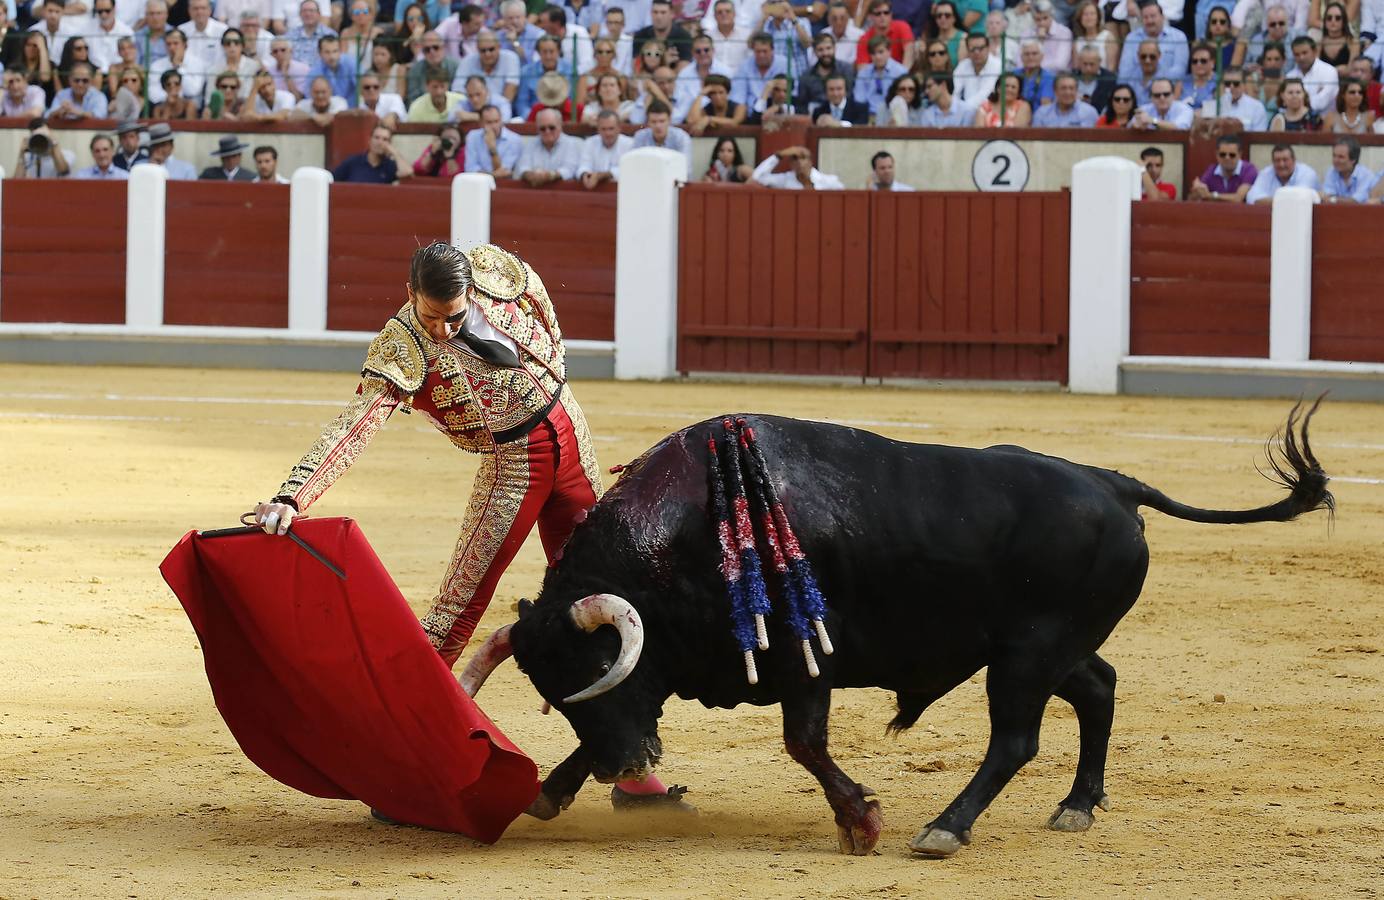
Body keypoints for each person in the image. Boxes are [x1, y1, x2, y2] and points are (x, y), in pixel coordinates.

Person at [252, 240, 692, 818]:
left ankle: (632, 771)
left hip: (569, 431)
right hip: (514, 467)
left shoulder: (494, 270)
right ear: (411, 295)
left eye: (454, 317)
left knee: (606, 602)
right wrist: (294, 494)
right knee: (454, 614)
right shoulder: (403, 346)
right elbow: (357, 423)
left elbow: (539, 299)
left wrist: (556, 368)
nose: (441, 330)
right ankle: (408, 769)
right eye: (431, 316)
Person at [1116, 0, 1189, 82]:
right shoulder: (1131, 38)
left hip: (1167, 90)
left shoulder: (1178, 37)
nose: (1150, 21)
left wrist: (1153, 83)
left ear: (1162, 17)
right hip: (1137, 90)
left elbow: (1179, 71)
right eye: (1145, 17)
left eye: (1153, 16)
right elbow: (1124, 72)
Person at [514, 106, 582, 186]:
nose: (547, 131)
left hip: (565, 194)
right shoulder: (531, 144)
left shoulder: (573, 143)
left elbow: (569, 170)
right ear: (537, 129)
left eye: (552, 127)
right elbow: (522, 167)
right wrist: (530, 175)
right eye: (542, 128)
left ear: (560, 126)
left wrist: (549, 175)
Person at [631, 99, 692, 178]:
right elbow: (634, 165)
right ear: (648, 122)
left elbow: (685, 168)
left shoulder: (681, 138)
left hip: (675, 184)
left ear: (669, 120)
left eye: (662, 121)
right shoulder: (640, 137)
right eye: (653, 122)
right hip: (646, 182)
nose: (658, 126)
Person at [454, 29, 519, 104]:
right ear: (477, 50)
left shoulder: (510, 58)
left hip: (500, 110)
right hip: (472, 108)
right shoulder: (467, 61)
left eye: (491, 49)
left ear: (499, 47)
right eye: (483, 50)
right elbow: (458, 91)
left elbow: (509, 94)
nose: (487, 54)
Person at [333, 123, 413, 182]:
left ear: (389, 144)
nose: (380, 142)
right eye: (376, 138)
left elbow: (407, 172)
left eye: (385, 139)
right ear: (369, 140)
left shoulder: (390, 166)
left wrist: (394, 152)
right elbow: (332, 180)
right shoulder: (353, 162)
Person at [577, 107, 633, 188]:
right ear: (598, 129)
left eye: (611, 128)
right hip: (594, 193)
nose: (608, 133)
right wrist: (585, 174)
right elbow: (583, 166)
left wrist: (603, 175)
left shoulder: (629, 144)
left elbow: (629, 170)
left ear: (619, 128)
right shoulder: (590, 143)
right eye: (603, 129)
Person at [1189, 135, 1258, 201]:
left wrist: (1210, 195)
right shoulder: (1212, 170)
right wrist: (1197, 190)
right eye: (1222, 154)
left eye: (1232, 155)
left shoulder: (1249, 170)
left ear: (1240, 154)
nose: (1227, 158)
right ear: (1216, 154)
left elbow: (1238, 198)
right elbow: (1195, 197)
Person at [1246, 142, 1320, 202]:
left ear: (1294, 160)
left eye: (1285, 160)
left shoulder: (1307, 173)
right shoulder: (1266, 173)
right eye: (1277, 160)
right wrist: (1281, 201)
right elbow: (1251, 197)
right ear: (1272, 162)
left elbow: (1299, 198)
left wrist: (1269, 201)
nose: (1281, 165)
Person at [855, 33, 907, 119]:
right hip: (867, 116)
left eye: (881, 52)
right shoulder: (863, 73)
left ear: (889, 51)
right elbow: (859, 99)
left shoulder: (901, 72)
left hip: (893, 115)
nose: (877, 57)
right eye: (873, 53)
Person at [731, 31, 787, 108]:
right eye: (758, 51)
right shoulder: (745, 66)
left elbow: (791, 94)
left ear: (772, 50)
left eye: (765, 51)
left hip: (777, 110)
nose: (761, 55)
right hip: (750, 113)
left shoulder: (784, 64)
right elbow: (738, 97)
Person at [464, 103, 522, 176]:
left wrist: (492, 148)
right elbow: (470, 169)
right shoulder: (472, 136)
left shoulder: (515, 140)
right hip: (477, 184)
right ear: (481, 123)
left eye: (496, 121)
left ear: (501, 120)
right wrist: (493, 175)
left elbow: (504, 172)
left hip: (503, 185)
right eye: (489, 122)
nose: (494, 126)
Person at [751, 145, 845, 189]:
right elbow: (757, 177)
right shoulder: (785, 180)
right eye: (795, 159)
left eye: (803, 158)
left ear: (810, 162)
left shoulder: (828, 181)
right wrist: (780, 155)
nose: (799, 162)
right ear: (791, 164)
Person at [1287, 35, 1339, 112]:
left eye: (1304, 53)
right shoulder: (1290, 76)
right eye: (1297, 54)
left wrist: (1295, 103)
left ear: (1315, 51)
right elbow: (1285, 103)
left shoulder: (1329, 71)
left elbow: (1321, 103)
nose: (1301, 57)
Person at [856, 0, 914, 68]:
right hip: (875, 77)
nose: (882, 16)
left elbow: (909, 53)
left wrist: (902, 75)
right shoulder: (864, 39)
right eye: (878, 14)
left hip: (901, 75)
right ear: (870, 17)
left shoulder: (902, 27)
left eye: (886, 13)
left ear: (891, 14)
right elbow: (862, 68)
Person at [405, 30, 456, 104]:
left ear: (443, 47)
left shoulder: (455, 66)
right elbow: (413, 99)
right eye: (427, 49)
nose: (432, 52)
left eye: (436, 47)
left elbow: (459, 95)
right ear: (423, 52)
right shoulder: (415, 70)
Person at [1319, 135, 1375, 202]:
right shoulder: (1331, 172)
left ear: (1353, 159)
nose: (1335, 160)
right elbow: (1326, 197)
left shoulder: (1366, 175)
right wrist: (1331, 199)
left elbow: (1355, 201)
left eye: (1341, 157)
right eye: (1334, 156)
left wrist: (1333, 199)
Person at [1033, 72, 1099, 125]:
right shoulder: (1042, 113)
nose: (1068, 92)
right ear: (1055, 91)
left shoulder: (1089, 112)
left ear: (1076, 91)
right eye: (1063, 88)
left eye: (1071, 88)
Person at [309, 34, 356, 105]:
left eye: (335, 51)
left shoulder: (351, 63)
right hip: (326, 111)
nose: (332, 56)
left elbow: (362, 87)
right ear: (320, 53)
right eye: (327, 52)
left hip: (353, 110)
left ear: (340, 51)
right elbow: (310, 98)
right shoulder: (314, 72)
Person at [953, 32, 999, 104]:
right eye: (972, 49)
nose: (976, 52)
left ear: (988, 48)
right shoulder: (963, 65)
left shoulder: (997, 65)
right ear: (967, 50)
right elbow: (954, 92)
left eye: (981, 48)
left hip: (988, 112)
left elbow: (984, 95)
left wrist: (962, 109)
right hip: (964, 111)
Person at [1070, 0, 1116, 70]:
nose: (1089, 17)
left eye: (1092, 14)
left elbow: (1111, 68)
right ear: (1080, 18)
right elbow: (1076, 69)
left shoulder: (1108, 37)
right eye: (1085, 14)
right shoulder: (1077, 42)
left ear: (1098, 17)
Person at [1014, 39, 1055, 108]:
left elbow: (1046, 105)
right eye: (1027, 54)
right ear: (1021, 57)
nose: (1030, 57)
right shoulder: (1013, 74)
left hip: (1038, 116)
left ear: (1042, 56)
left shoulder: (1048, 77)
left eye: (1034, 54)